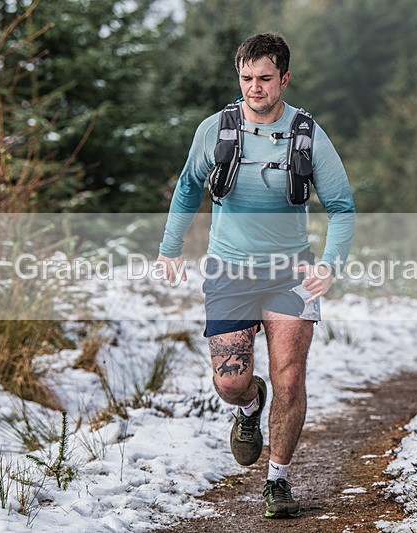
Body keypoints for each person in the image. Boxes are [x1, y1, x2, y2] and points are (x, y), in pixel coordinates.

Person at [154, 32, 355, 519]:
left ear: (284, 78)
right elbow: (187, 189)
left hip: (292, 272)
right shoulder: (216, 130)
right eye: (246, 78)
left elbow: (342, 207)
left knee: (290, 378)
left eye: (265, 78)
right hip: (228, 271)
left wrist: (330, 264)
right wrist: (170, 248)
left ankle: (278, 479)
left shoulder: (307, 135)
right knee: (230, 382)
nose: (255, 88)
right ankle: (249, 407)